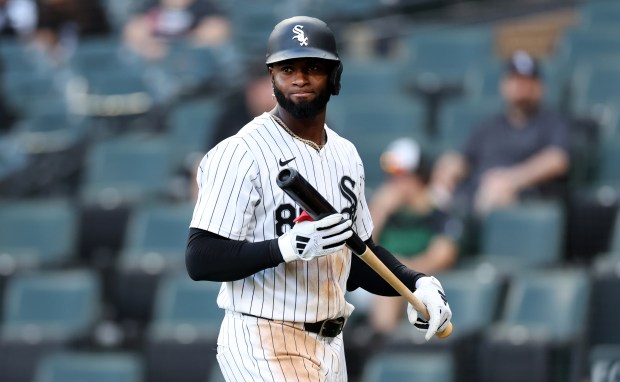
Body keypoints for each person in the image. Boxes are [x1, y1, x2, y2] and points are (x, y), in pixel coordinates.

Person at [185, 16, 452, 382]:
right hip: (263, 335)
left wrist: (416, 283)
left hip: (330, 345)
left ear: (335, 76)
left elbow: (358, 257)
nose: (299, 78)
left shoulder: (346, 155)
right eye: (287, 68)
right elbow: (201, 258)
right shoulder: (240, 152)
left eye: (313, 67)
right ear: (271, 77)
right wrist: (286, 246)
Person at [431, 50, 571, 216]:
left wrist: (511, 179)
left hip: (522, 197)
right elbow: (465, 158)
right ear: (504, 85)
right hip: (475, 191)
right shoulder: (489, 126)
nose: (520, 87)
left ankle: (460, 233)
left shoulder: (552, 122)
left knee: (496, 192)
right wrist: (450, 166)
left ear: (539, 87)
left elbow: (557, 160)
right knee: (435, 191)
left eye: (527, 81)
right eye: (515, 80)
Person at [368, 137, 462, 334]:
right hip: (371, 280)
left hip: (414, 281)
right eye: (391, 175)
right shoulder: (386, 211)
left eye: (401, 175)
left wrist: (402, 271)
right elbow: (362, 249)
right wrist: (379, 211)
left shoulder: (438, 210)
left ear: (419, 177)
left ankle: (380, 346)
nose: (394, 182)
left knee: (391, 286)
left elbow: (443, 255)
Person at [122, 0, 230, 61]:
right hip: (155, 61)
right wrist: (145, 46)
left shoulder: (204, 6)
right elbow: (133, 32)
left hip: (193, 60)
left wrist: (183, 46)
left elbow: (218, 31)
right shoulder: (148, 5)